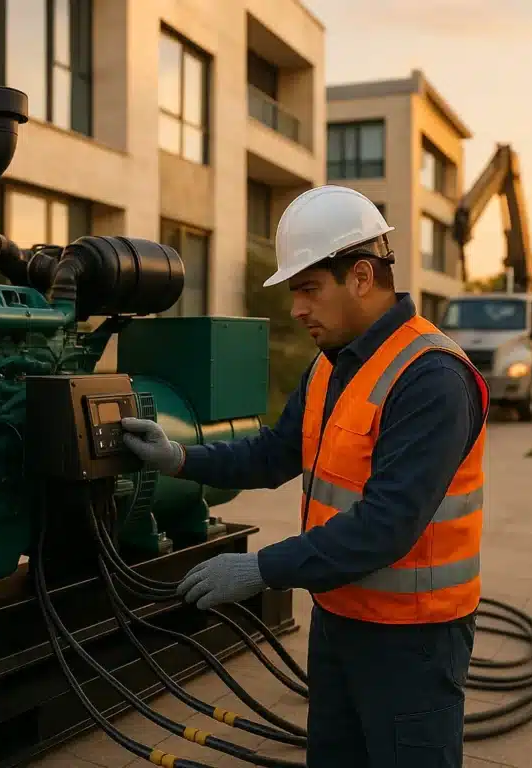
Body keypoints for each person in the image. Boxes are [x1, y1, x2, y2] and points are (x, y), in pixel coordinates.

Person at [120, 185, 489, 768]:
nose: (296, 310)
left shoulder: (431, 377)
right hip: (340, 620)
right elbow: (274, 452)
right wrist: (183, 459)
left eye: (309, 290)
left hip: (412, 641)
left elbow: (386, 526)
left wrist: (261, 568)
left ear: (363, 276)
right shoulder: (333, 364)